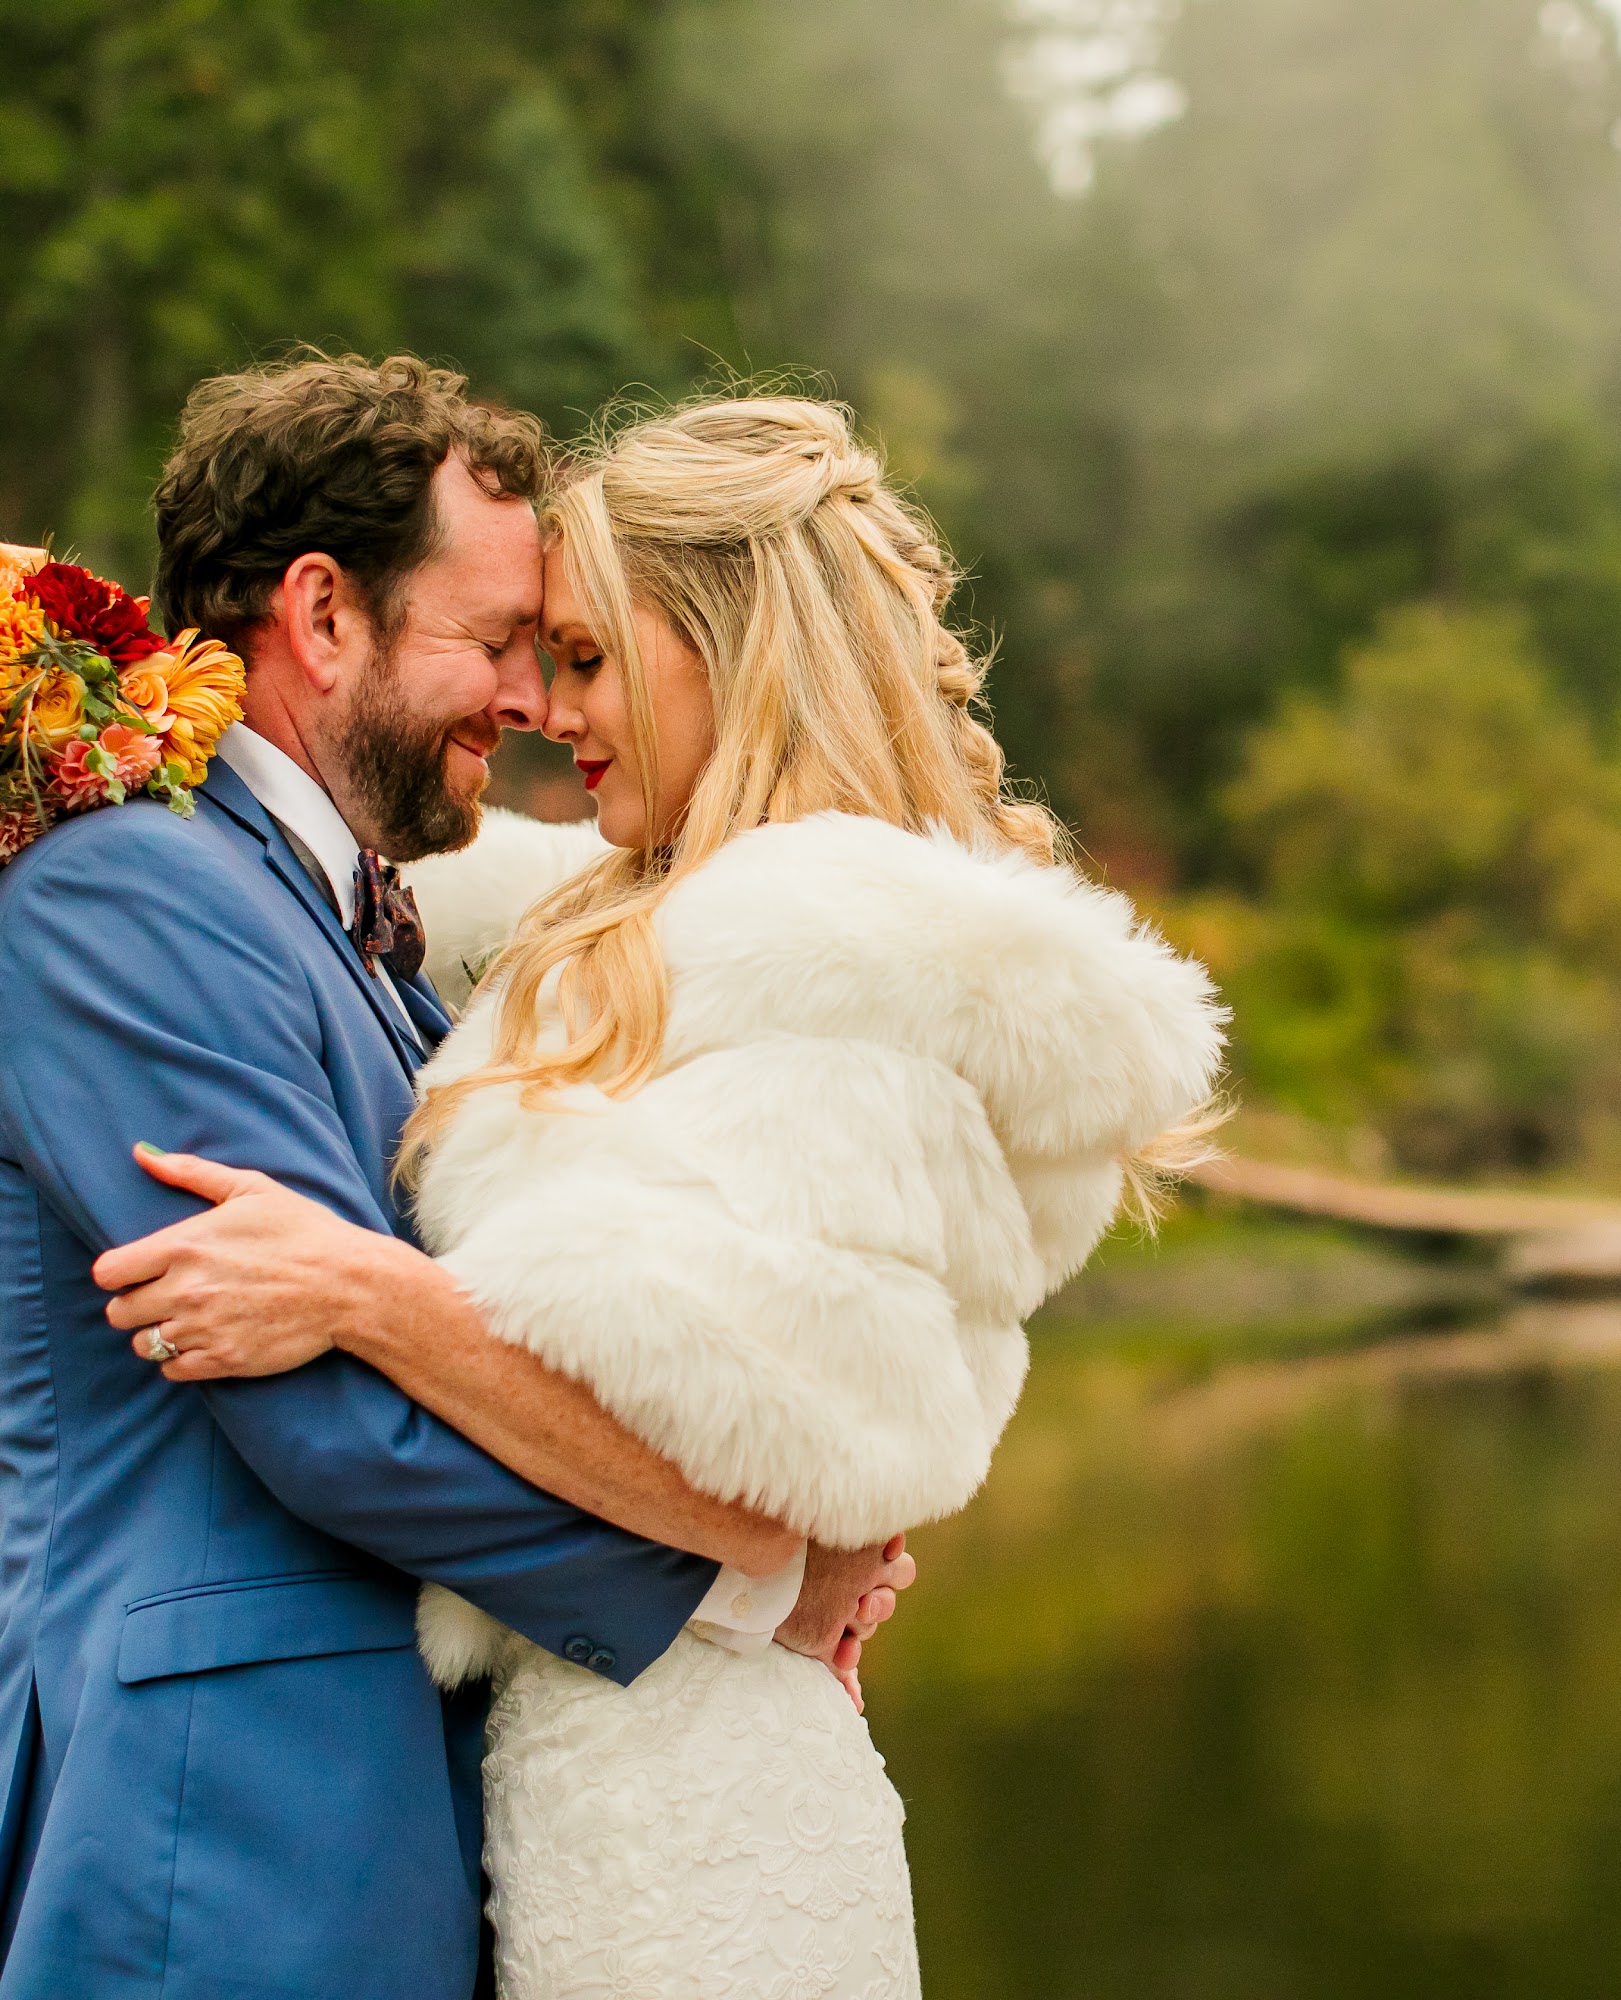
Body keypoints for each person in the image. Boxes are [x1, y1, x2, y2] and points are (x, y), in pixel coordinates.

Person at [103, 395, 1226, 1996]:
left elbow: (749, 1471)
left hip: (694, 1828)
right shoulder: (638, 919)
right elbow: (335, 830)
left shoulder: (833, 961)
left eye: (585, 657)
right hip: (564, 1771)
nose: (546, 709)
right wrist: (64, 706)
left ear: (733, 649)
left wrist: (366, 1291)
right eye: (532, 654)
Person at [0, 358, 906, 2000]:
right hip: (214, 1817)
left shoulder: (357, 934)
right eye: (496, 642)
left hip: (378, 1820)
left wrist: (806, 1476)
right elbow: (320, 1408)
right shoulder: (126, 890)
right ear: (323, 615)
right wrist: (736, 1561)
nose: (528, 700)